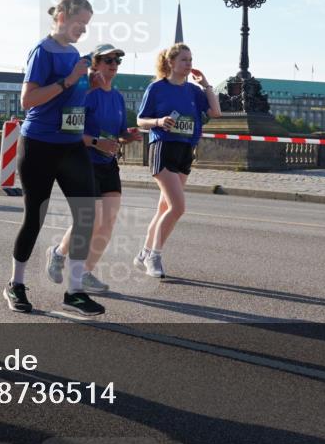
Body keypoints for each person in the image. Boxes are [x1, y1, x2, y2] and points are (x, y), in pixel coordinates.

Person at [5, 0, 104, 317]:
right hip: (39, 144)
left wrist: (88, 85)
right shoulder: (42, 51)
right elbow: (28, 100)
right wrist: (70, 79)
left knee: (86, 214)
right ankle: (16, 284)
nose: (82, 30)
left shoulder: (74, 53)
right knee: (35, 217)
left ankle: (74, 292)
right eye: (79, 23)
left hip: (71, 144)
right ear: (61, 15)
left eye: (86, 26)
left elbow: (69, 98)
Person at [48, 43, 141, 294]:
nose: (113, 65)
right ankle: (58, 254)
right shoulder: (85, 94)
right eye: (107, 60)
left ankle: (87, 272)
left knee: (108, 221)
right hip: (84, 160)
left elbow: (118, 132)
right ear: (94, 65)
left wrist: (127, 136)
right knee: (92, 218)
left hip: (108, 163)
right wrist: (98, 142)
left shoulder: (118, 96)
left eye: (116, 61)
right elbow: (69, 131)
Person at [134, 43, 221, 277]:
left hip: (185, 150)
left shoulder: (194, 91)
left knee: (164, 207)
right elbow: (141, 120)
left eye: (191, 59)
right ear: (170, 62)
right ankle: (154, 256)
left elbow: (215, 113)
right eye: (184, 59)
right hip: (163, 147)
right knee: (177, 207)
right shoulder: (156, 88)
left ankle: (144, 252)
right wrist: (159, 122)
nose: (189, 64)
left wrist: (206, 85)